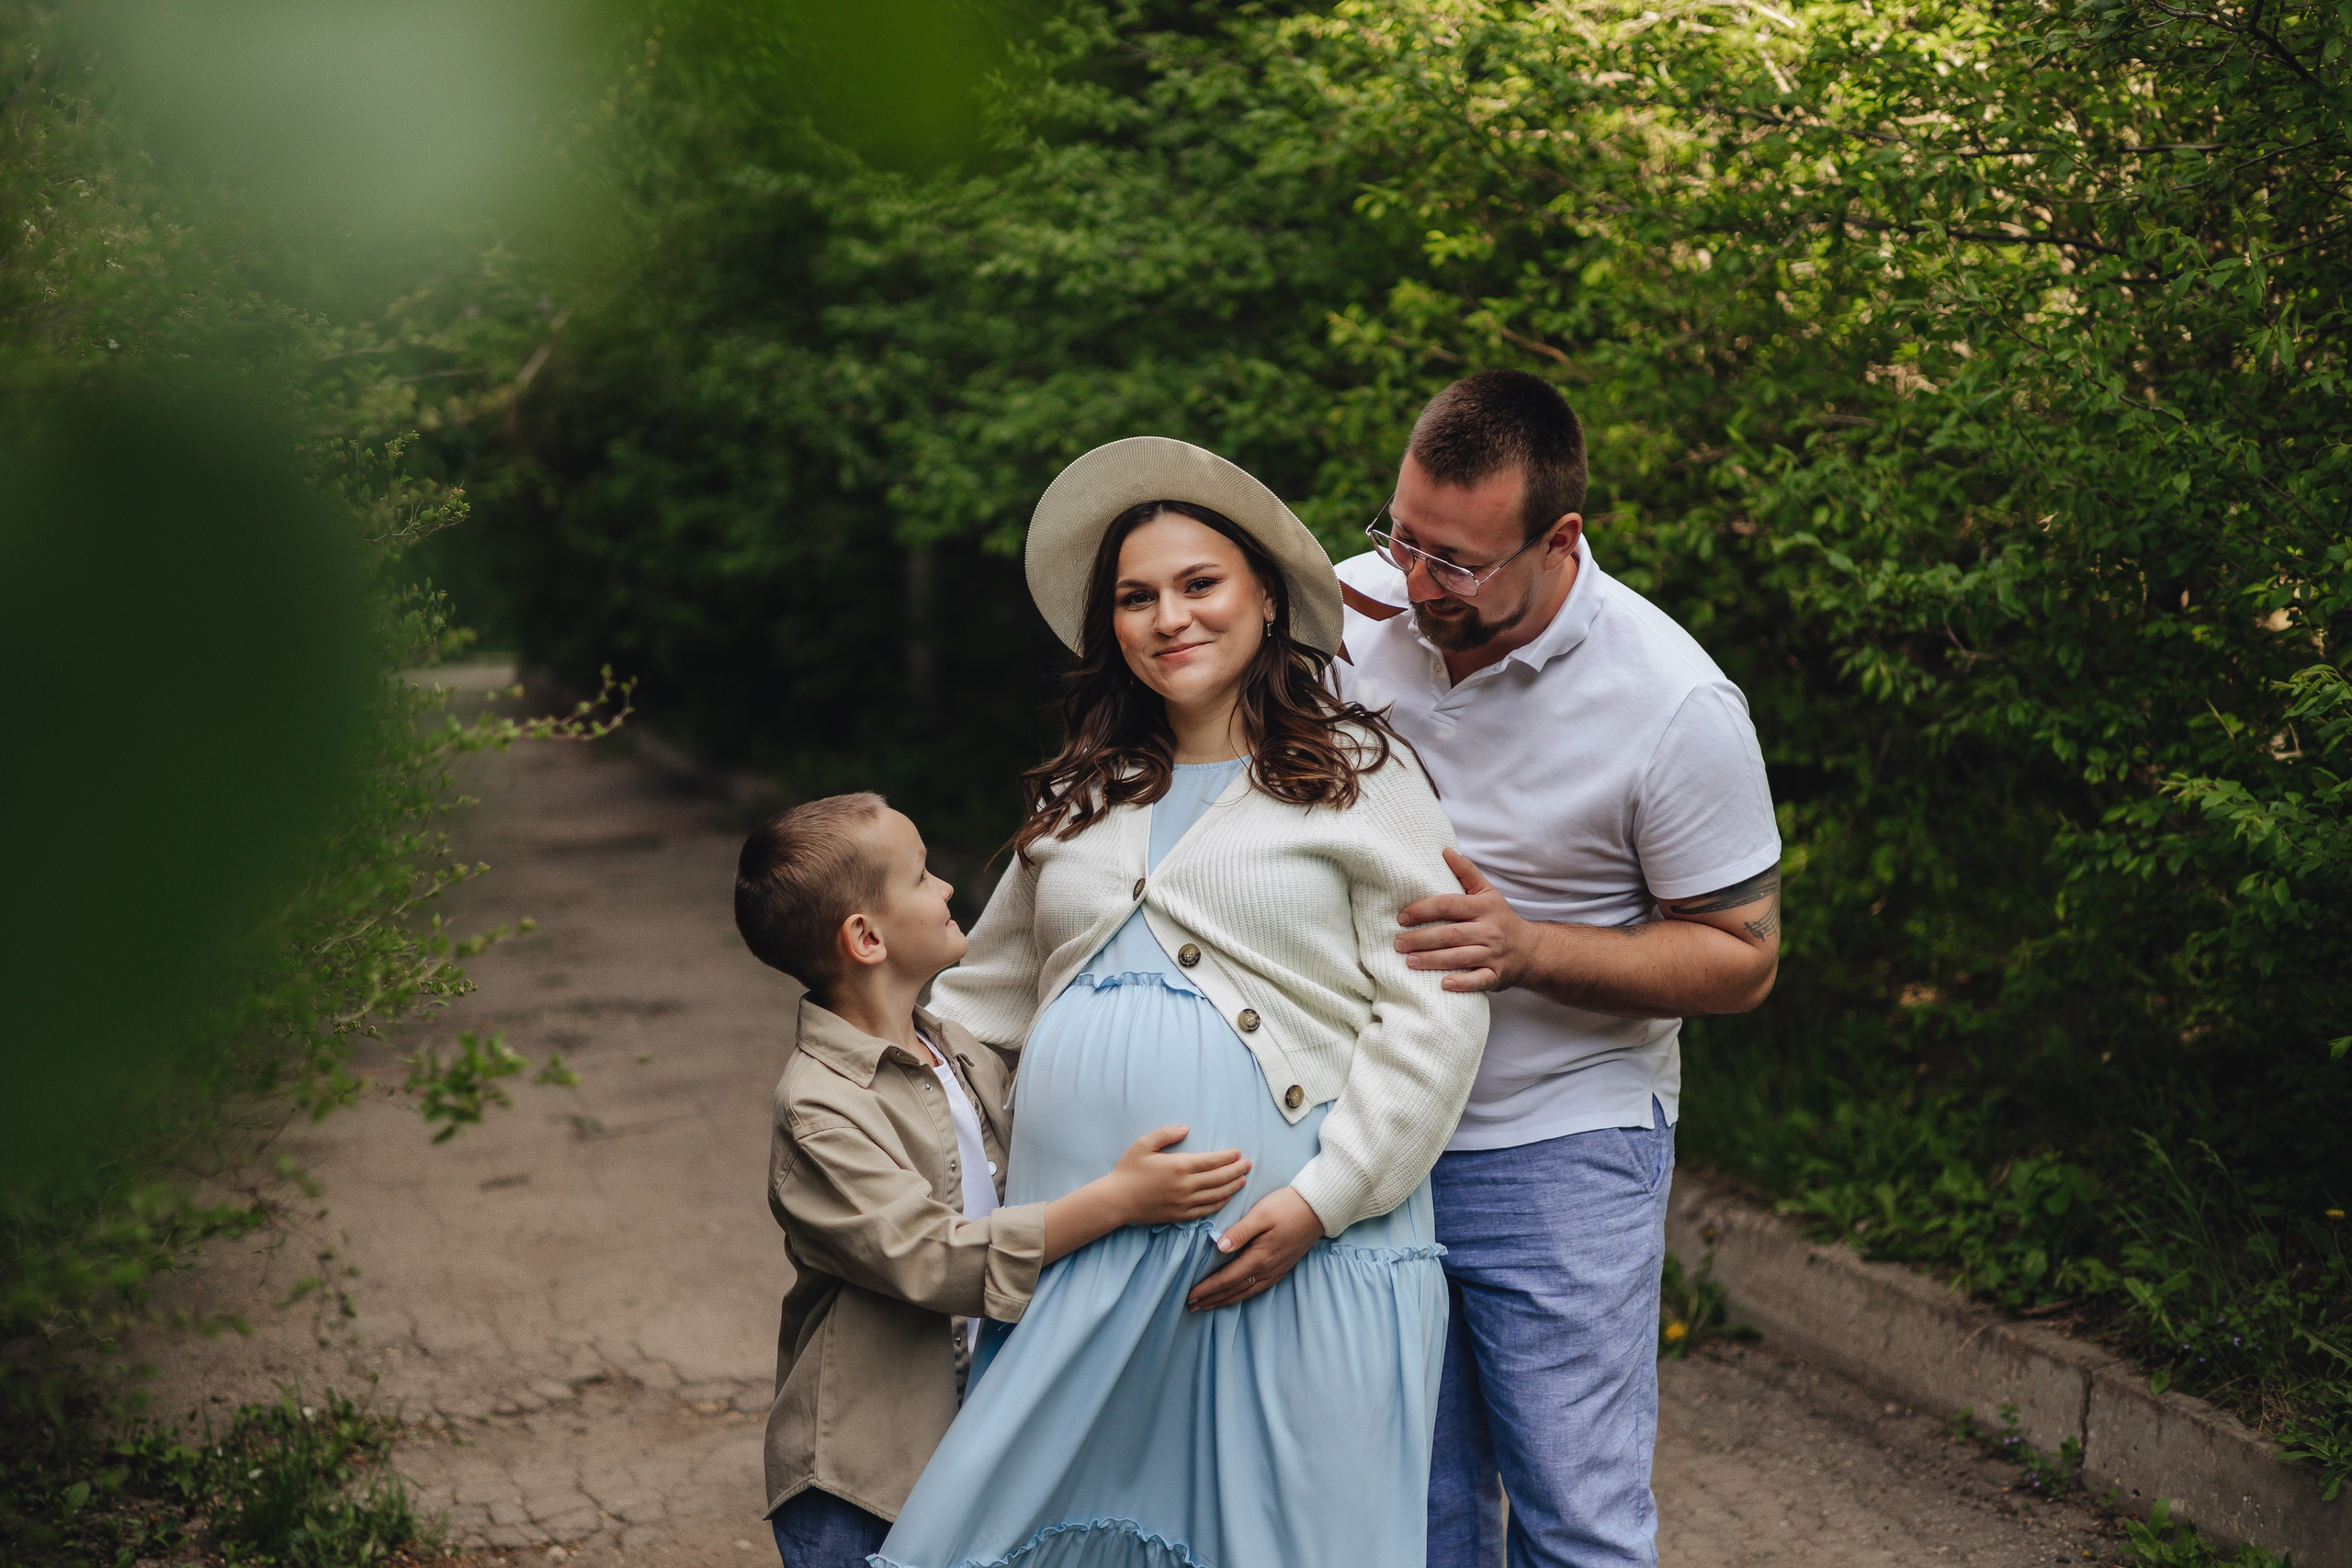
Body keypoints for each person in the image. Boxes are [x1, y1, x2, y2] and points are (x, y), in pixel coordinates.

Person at [875, 437, 1490, 1568]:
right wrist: (858, 1085)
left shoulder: (1363, 777)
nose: (1169, 618)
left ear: (1265, 595)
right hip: (1086, 1245)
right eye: (1135, 597)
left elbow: (1437, 1012)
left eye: (1198, 584)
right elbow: (983, 999)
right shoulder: (1082, 792)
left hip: (1290, 1246)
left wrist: (1324, 1199)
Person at [1335, 369, 1783, 1568]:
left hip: (1561, 1136)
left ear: (1561, 537)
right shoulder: (1353, 611)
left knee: (1575, 1520)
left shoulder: (1673, 701)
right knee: (1409, 1512)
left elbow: (1742, 959)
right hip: (1370, 1131)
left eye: (1460, 565)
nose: (1418, 585)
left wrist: (1529, 948)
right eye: (1403, 537)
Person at [736, 793, 1254, 1568]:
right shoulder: (819, 1106)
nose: (946, 887)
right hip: (864, 1480)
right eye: (920, 876)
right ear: (866, 936)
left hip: (968, 1448)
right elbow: (933, 1256)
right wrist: (1117, 1200)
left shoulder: (957, 1048)